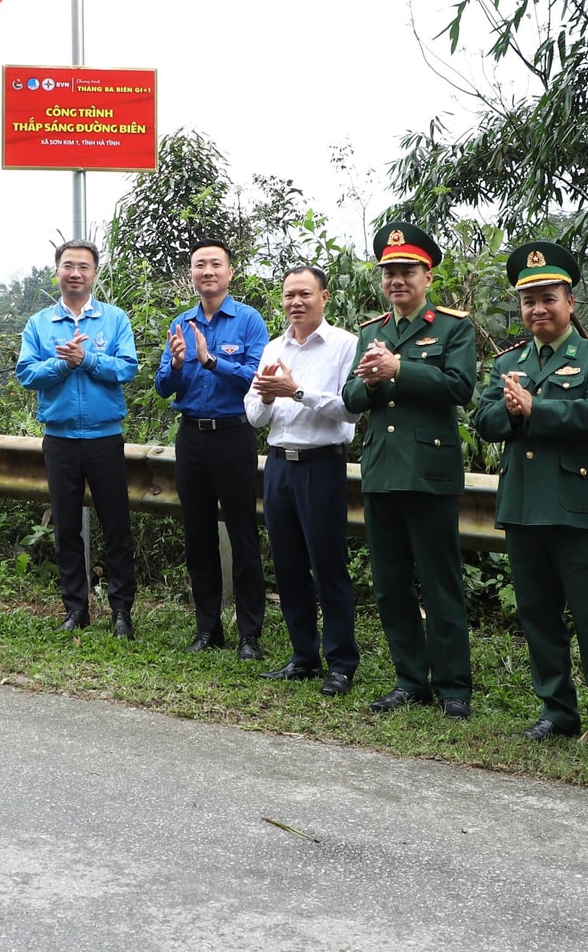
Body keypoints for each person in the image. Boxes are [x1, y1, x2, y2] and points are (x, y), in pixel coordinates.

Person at [472, 240, 588, 758]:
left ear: (569, 301)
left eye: (549, 297)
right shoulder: (509, 361)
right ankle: (555, 710)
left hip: (577, 506)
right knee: (538, 614)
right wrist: (514, 413)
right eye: (528, 301)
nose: (538, 309)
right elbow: (484, 421)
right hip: (522, 505)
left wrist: (535, 408)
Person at [341, 223, 477, 719]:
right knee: (390, 583)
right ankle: (409, 679)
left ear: (427, 276)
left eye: (407, 272)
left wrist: (400, 370)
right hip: (380, 470)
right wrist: (374, 382)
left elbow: (461, 387)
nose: (397, 280)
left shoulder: (453, 327)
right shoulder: (371, 332)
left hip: (429, 471)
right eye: (389, 273)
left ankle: (454, 686)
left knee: (441, 583)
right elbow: (350, 398)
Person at [246, 265, 361, 695]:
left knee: (328, 565)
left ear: (324, 297)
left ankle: (342, 661)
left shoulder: (344, 345)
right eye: (289, 295)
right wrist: (262, 395)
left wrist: (295, 392)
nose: (296, 302)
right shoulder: (275, 347)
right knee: (289, 565)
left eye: (305, 294)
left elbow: (351, 410)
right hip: (278, 464)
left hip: (322, 465)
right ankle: (303, 656)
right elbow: (254, 416)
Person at [17, 240, 140, 636]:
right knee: (67, 528)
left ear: (94, 274)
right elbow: (26, 374)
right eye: (68, 266)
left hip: (106, 437)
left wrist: (86, 359)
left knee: (116, 526)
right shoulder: (39, 323)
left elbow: (126, 369)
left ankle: (122, 612)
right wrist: (62, 365)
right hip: (60, 439)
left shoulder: (114, 318)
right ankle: (76, 609)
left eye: (83, 267)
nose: (75, 273)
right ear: (57, 272)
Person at [153, 240, 269, 657]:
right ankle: (208, 630)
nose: (207, 271)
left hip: (234, 436)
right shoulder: (181, 322)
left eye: (215, 264)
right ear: (191, 274)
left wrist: (211, 361)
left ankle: (250, 636)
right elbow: (163, 386)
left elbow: (258, 379)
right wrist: (180, 364)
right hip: (192, 438)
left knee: (243, 535)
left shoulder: (249, 321)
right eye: (199, 265)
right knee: (198, 536)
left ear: (230, 272)